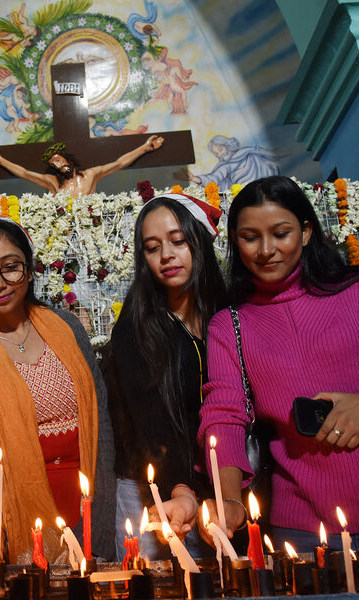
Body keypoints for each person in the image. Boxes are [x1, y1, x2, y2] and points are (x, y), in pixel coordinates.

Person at [198, 175, 359, 568]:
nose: (266, 250)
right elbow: (224, 416)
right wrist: (229, 499)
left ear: (305, 232)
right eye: (250, 237)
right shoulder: (229, 324)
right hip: (306, 529)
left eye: (281, 233)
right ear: (235, 241)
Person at [0, 217, 115, 564]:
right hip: (8, 503)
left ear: (29, 272)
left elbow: (99, 418)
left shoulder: (67, 327)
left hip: (83, 498)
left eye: (10, 268)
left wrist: (100, 510)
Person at [102, 193, 226, 560]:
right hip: (152, 487)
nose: (166, 255)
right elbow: (149, 420)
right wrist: (179, 488)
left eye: (178, 241)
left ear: (199, 241)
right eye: (152, 247)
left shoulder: (228, 315)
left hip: (218, 485)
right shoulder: (135, 327)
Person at [0, 135, 164, 197]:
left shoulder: (91, 175)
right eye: (54, 164)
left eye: (59, 159)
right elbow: (25, 173)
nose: (58, 165)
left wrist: (145, 148)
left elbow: (119, 163)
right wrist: (1, 160)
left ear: (67, 158)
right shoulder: (53, 182)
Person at [175, 135, 279, 188]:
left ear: (227, 145)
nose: (219, 155)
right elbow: (214, 178)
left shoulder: (250, 153)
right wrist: (195, 179)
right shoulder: (224, 166)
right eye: (216, 154)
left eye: (220, 150)